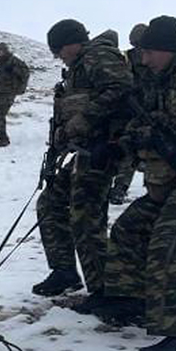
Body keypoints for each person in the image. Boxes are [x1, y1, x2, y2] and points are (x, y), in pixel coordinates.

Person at [90, 16, 176, 351]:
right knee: (129, 229)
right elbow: (146, 123)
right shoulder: (158, 81)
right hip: (168, 182)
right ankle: (132, 300)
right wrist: (119, 147)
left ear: (169, 49)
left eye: (149, 52)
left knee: (169, 240)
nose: (142, 59)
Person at [33, 20, 132, 304]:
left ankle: (105, 290)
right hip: (83, 151)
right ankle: (64, 272)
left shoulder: (98, 55)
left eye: (58, 49)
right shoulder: (78, 68)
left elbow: (122, 87)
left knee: (86, 217)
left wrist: (84, 119)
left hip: (103, 150)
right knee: (50, 202)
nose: (58, 56)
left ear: (71, 42)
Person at [109, 23, 150, 205]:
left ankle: (122, 188)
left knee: (136, 150)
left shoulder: (128, 57)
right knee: (131, 149)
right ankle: (121, 188)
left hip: (142, 110)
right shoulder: (128, 58)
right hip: (134, 110)